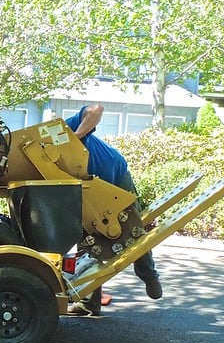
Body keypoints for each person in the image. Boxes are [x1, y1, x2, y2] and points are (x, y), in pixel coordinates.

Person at [64, 105, 162, 314]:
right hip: (93, 189)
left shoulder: (65, 132)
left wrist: (75, 138)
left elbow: (96, 109)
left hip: (116, 178)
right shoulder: (40, 163)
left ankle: (150, 277)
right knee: (90, 237)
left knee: (132, 231)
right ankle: (89, 301)